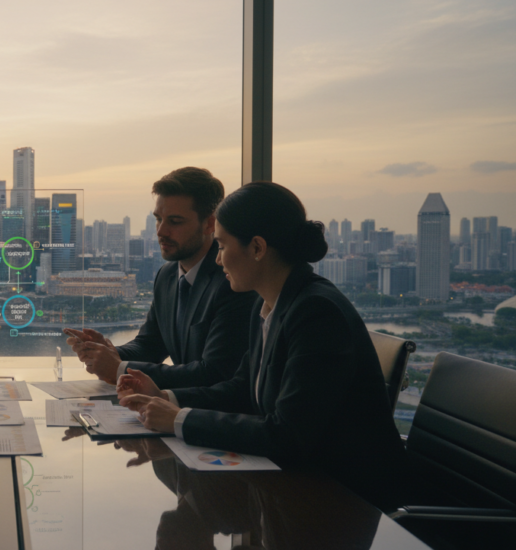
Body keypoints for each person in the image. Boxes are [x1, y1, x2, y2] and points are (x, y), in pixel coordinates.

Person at [119, 181, 406, 510]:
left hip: (344, 502)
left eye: (222, 247)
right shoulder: (272, 303)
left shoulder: (316, 312)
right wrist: (165, 398)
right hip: (293, 489)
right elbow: (242, 388)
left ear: (257, 248)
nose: (217, 260)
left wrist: (180, 419)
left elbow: (287, 436)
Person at [64, 167, 255, 388]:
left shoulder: (232, 280)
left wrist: (118, 368)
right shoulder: (167, 276)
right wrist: (107, 352)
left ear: (209, 224)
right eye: (158, 219)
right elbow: (150, 345)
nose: (161, 231)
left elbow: (214, 373)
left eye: (175, 221)